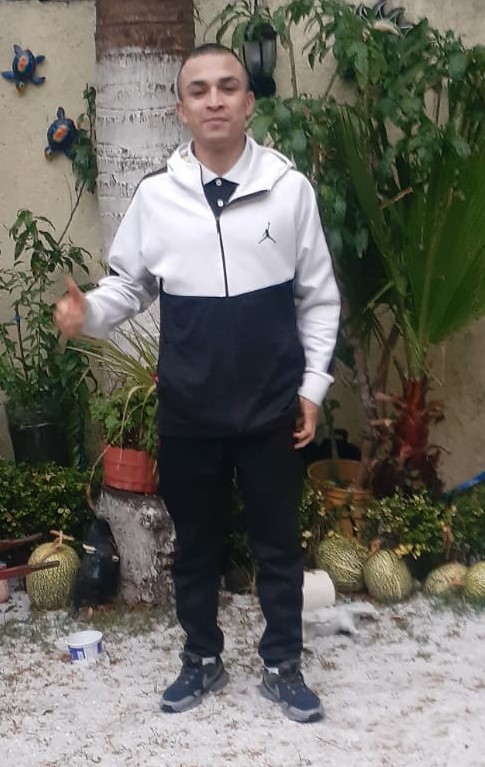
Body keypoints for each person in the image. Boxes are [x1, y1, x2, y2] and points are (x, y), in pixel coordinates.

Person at [55, 43, 340, 723]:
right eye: (199, 90)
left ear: (248, 102)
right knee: (196, 547)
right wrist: (87, 313)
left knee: (277, 545)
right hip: (189, 408)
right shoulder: (157, 196)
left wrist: (312, 388)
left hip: (273, 406)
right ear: (180, 109)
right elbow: (129, 285)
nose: (214, 100)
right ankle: (201, 658)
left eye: (228, 87)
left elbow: (319, 296)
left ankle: (283, 664)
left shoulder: (289, 189)